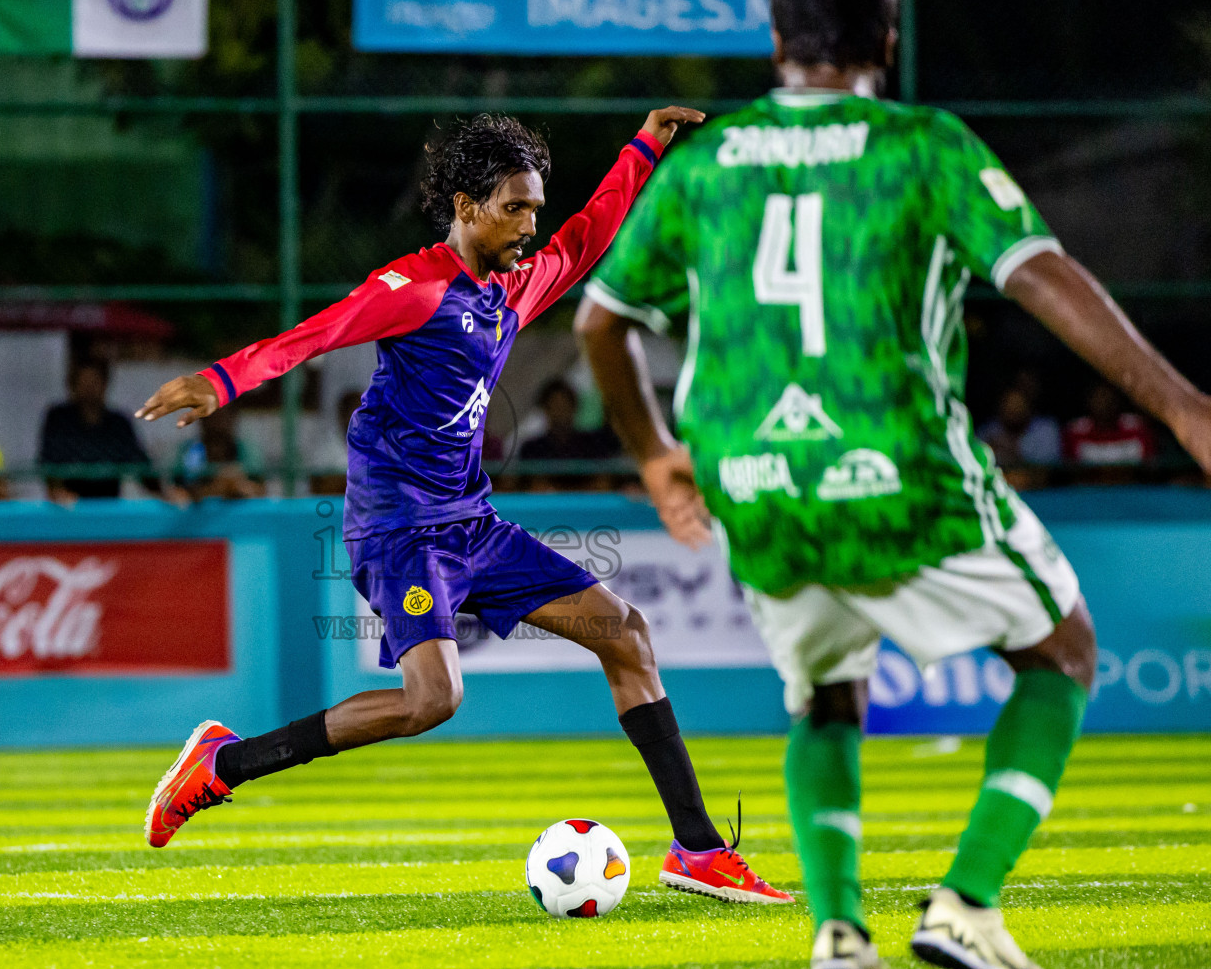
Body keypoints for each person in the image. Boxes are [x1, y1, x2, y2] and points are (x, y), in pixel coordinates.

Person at [576, 0, 1211, 969]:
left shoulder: (707, 161)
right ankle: (968, 904)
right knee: (1062, 649)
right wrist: (1185, 404)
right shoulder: (922, 144)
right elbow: (1038, 272)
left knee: (826, 701)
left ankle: (839, 934)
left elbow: (597, 322)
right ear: (887, 33)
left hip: (753, 481)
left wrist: (655, 452)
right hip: (897, 469)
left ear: (773, 37)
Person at [136, 108, 794, 905]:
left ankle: (696, 851)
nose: (529, 223)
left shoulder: (512, 287)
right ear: (464, 205)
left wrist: (644, 147)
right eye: (514, 206)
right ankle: (222, 765)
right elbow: (318, 333)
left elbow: (586, 239)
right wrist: (223, 380)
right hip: (399, 527)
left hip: (469, 523)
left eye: (533, 208)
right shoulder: (413, 288)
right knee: (433, 699)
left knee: (624, 632)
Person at [40, 357, 180, 503]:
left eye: (94, 382)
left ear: (105, 384)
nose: (89, 389)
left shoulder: (118, 423)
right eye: (84, 382)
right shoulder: (59, 419)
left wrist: (164, 493)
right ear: (73, 384)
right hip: (70, 507)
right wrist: (57, 492)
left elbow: (138, 463)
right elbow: (49, 462)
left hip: (108, 504)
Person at [518, 378, 618, 491]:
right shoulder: (532, 448)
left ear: (574, 407)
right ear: (545, 409)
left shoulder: (594, 443)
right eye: (555, 405)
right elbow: (536, 487)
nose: (560, 411)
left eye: (564, 405)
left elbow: (603, 482)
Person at [1062, 380, 1156, 474]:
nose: (1105, 404)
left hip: (1133, 487)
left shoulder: (1139, 428)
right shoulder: (1075, 431)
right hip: (1088, 487)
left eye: (1110, 398)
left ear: (1118, 401)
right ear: (1088, 402)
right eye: (1099, 398)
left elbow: (1150, 470)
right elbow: (1071, 473)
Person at [174, 406, 265, 501]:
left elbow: (259, 489)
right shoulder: (188, 451)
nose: (215, 423)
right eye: (210, 416)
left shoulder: (247, 450)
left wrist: (235, 485)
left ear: (232, 418)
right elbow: (179, 491)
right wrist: (216, 488)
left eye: (221, 416)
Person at [980, 385, 1061, 490]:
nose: (1013, 410)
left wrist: (1012, 451)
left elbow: (1044, 474)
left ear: (1028, 406)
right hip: (998, 490)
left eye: (1018, 405)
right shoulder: (988, 432)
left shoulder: (1046, 429)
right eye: (1008, 405)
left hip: (1038, 493)